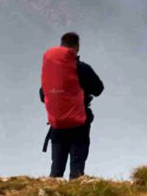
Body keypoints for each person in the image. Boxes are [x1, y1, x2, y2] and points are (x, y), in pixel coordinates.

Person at [39, 31, 105, 179]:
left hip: (57, 125)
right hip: (79, 124)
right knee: (77, 170)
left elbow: (43, 95)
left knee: (56, 171)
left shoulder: (51, 71)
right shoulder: (82, 69)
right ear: (77, 47)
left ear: (61, 45)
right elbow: (99, 89)